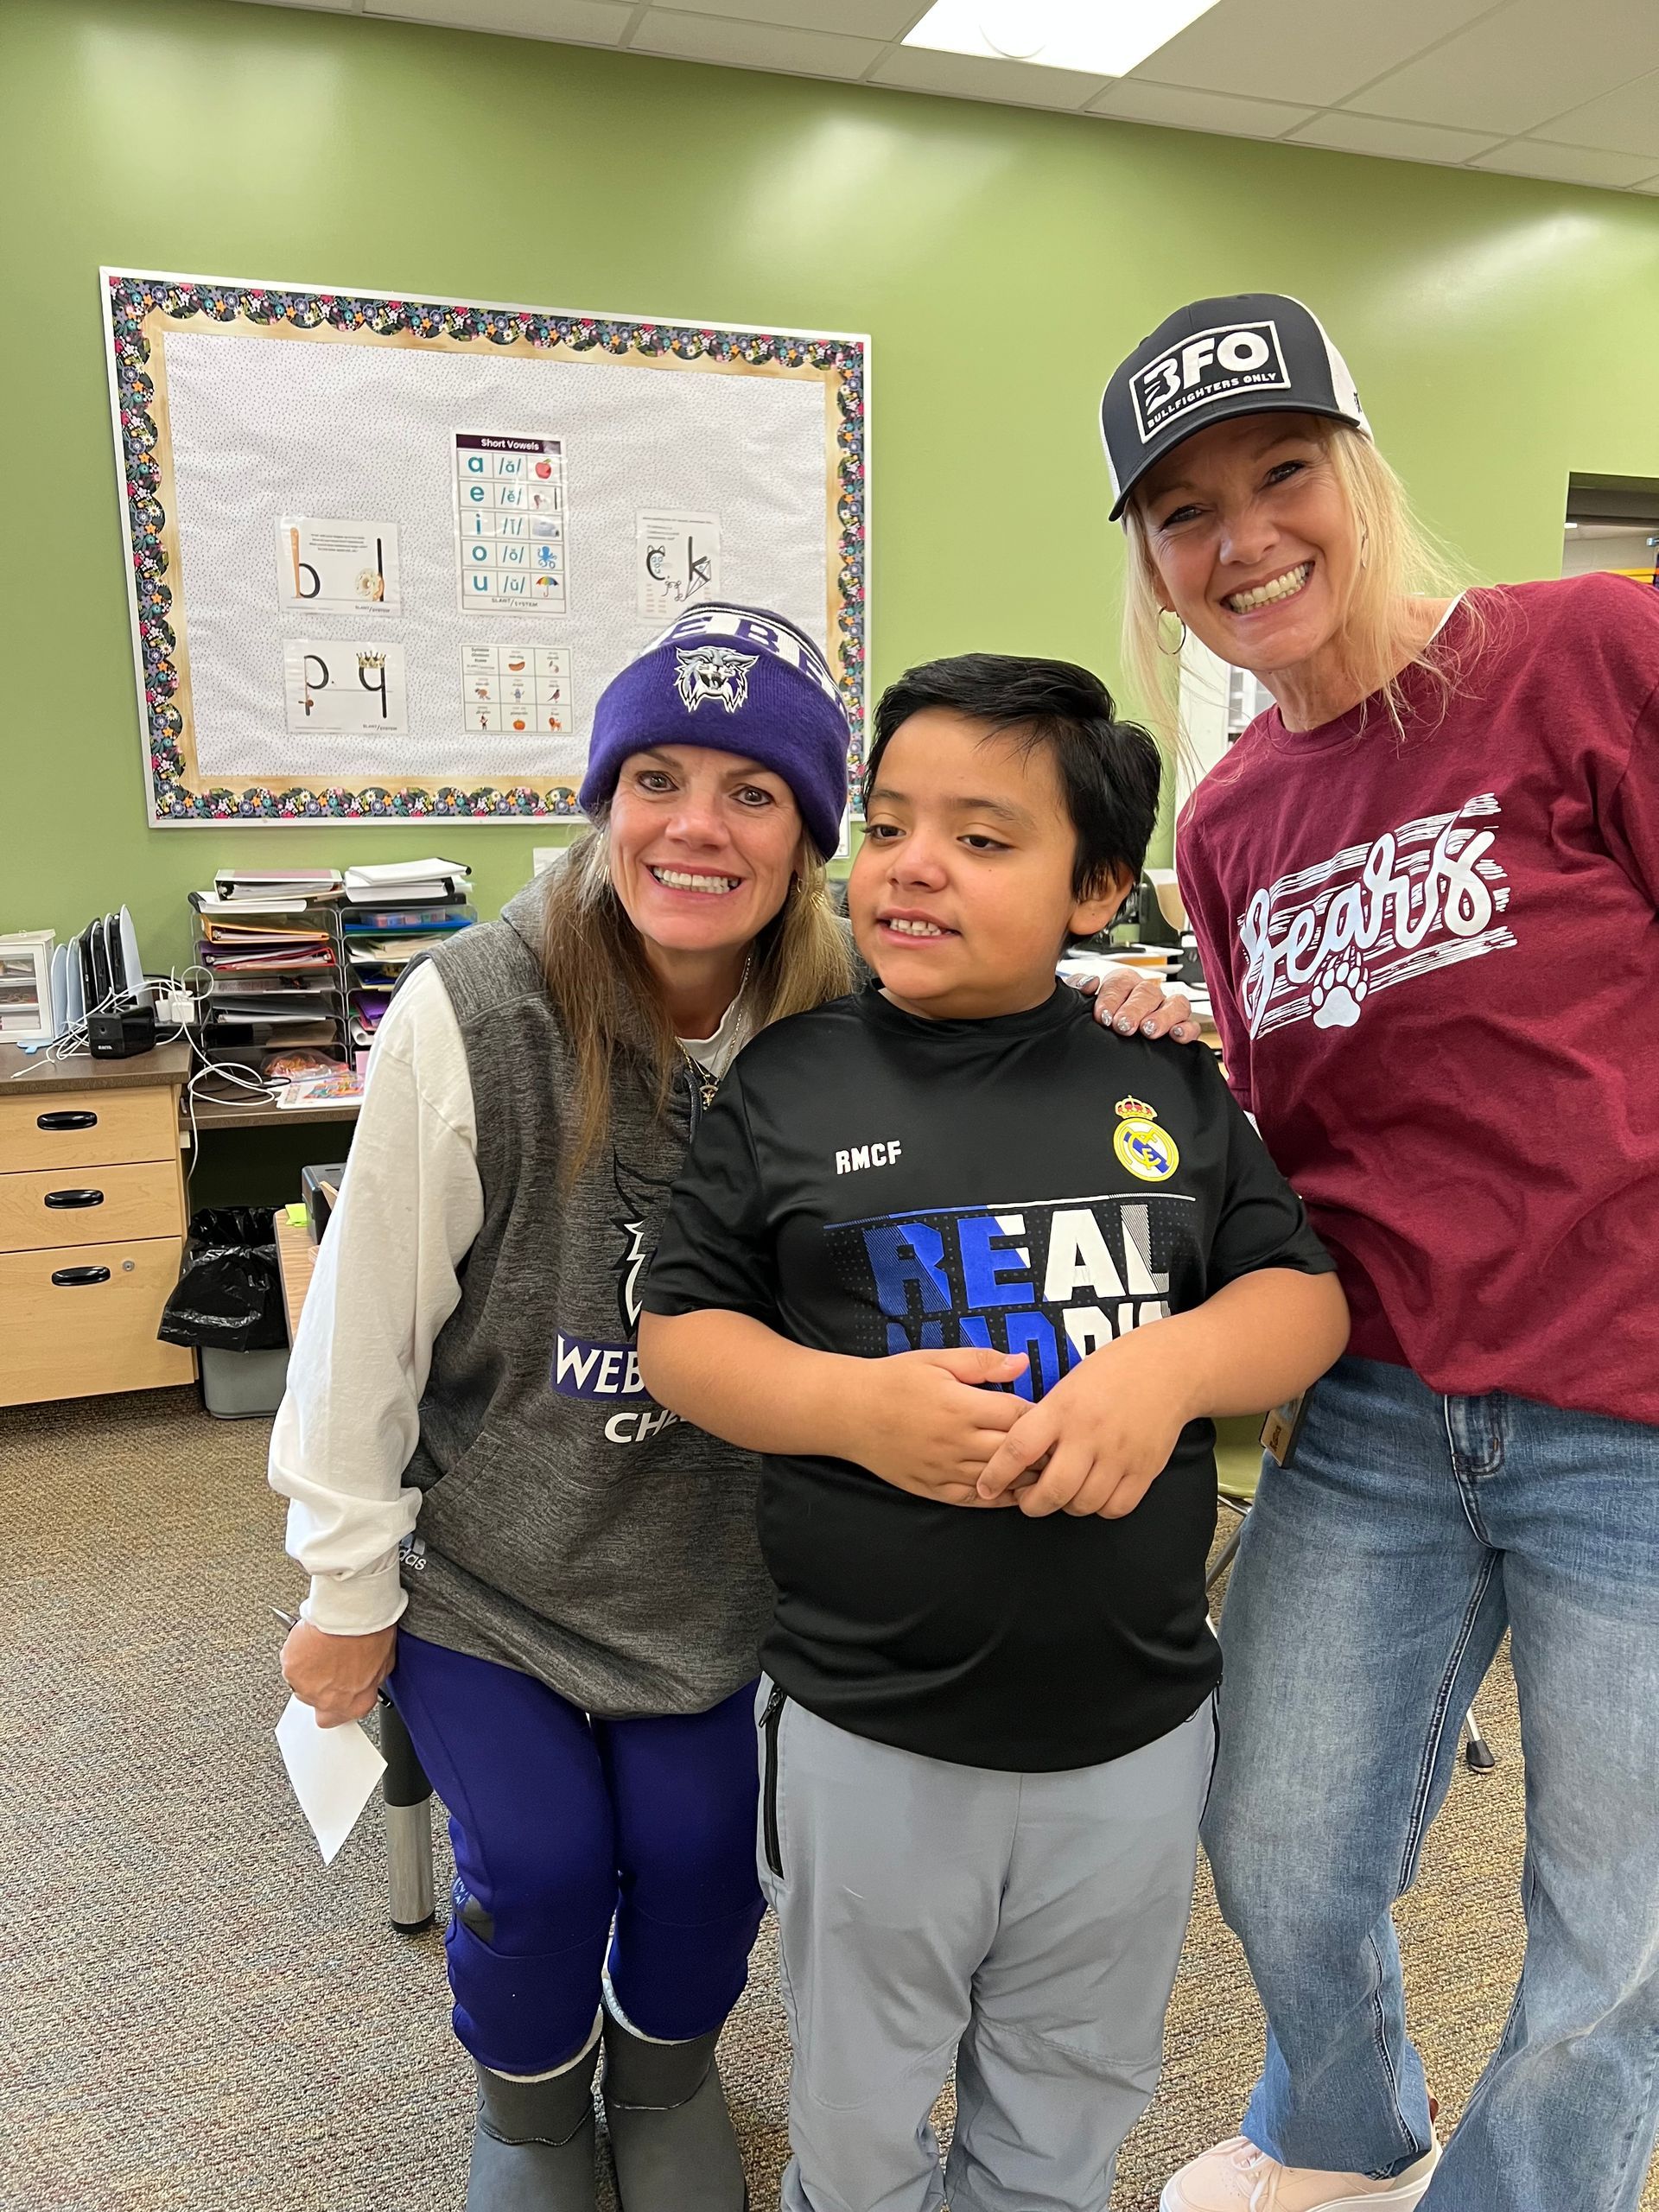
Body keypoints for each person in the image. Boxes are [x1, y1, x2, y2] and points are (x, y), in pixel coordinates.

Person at [270, 604, 1179, 2212]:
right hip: (499, 1580)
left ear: (810, 836)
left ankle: (667, 2076)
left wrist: (1128, 1006)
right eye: (656, 778)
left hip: (731, 1585)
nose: (697, 825)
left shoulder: (851, 1014)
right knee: (541, 1870)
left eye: (754, 792)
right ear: (604, 797)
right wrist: (343, 1585)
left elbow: (1011, 1026)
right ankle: (533, 2113)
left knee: (704, 1873)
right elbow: (362, 1341)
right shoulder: (473, 1011)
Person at [637, 652, 1349, 2212]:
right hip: (870, 1719)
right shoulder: (791, 1081)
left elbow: (1301, 1302)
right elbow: (680, 1336)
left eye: (982, 834)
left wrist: (1164, 1372)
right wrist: (847, 1406)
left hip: (1136, 1725)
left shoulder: (1157, 1074)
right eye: (888, 824)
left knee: (1074, 2080)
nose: (913, 865)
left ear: (1097, 887)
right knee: (861, 2082)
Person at [1101, 292, 1659, 2212]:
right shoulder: (1235, 818)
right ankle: (1341, 2137)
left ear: (1359, 471)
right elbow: (1303, 1116)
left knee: (1616, 1934)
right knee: (1276, 1837)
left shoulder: (1590, 651)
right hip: (1376, 1408)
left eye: (1280, 474)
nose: (1243, 536)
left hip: (1635, 1416)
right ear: (1155, 570)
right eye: (1184, 513)